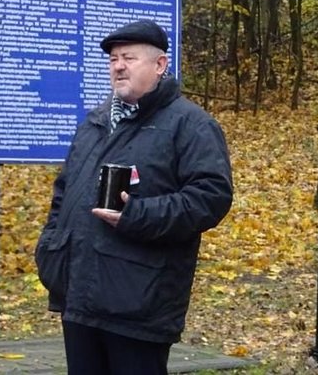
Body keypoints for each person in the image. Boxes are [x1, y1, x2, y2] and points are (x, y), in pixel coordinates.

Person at [35, 19, 233, 375]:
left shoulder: (190, 125)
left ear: (160, 65)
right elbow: (63, 195)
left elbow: (210, 197)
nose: (119, 66)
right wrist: (49, 247)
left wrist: (137, 214)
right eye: (113, 59)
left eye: (129, 57)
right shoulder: (94, 123)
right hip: (79, 298)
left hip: (138, 303)